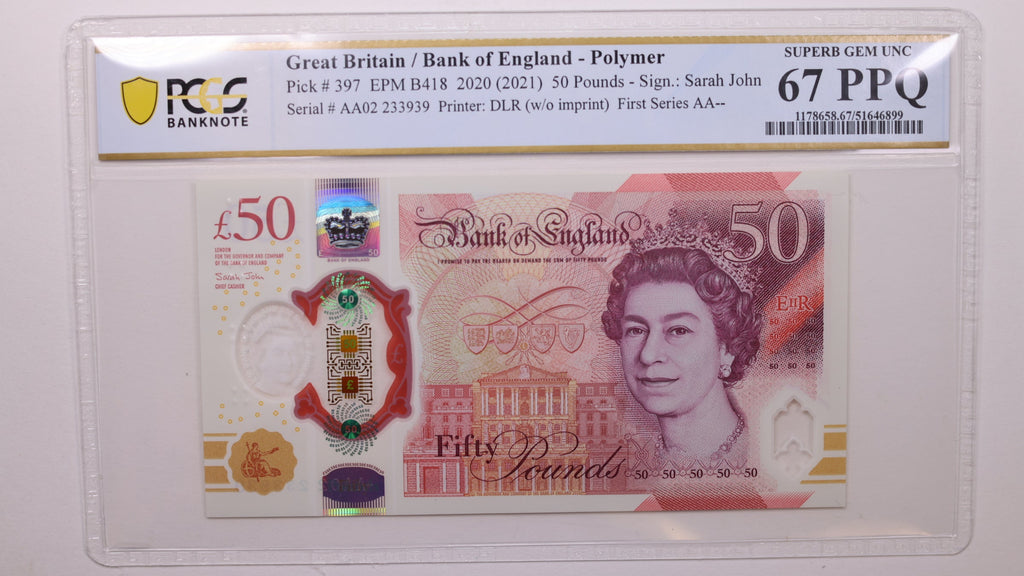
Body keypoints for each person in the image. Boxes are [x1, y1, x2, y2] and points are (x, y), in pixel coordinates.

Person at [602, 247, 762, 465]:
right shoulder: (632, 462)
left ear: (727, 349)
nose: (648, 355)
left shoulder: (763, 457)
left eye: (678, 330)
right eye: (636, 330)